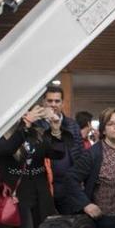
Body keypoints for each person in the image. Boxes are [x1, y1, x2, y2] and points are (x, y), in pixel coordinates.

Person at [41, 86, 85, 214]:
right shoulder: (37, 125)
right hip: (45, 184)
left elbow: (80, 153)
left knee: (68, 225)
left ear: (62, 103)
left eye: (57, 101)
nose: (53, 105)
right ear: (43, 102)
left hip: (68, 184)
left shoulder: (72, 125)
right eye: (49, 101)